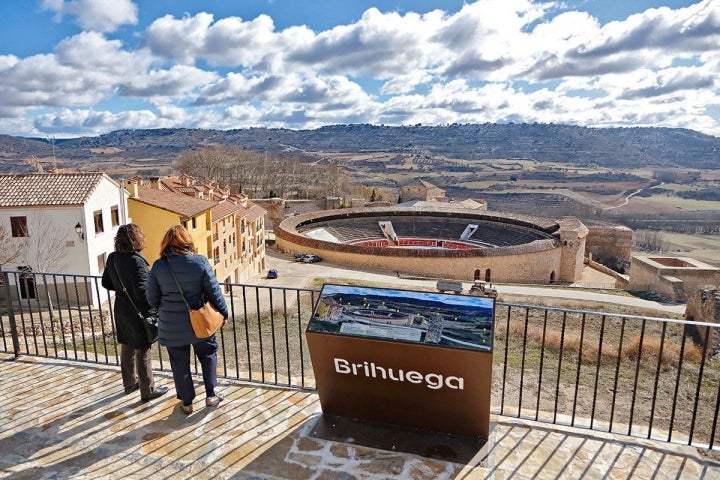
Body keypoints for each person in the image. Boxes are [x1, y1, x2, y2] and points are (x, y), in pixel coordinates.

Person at [146, 225, 229, 415]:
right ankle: (210, 394)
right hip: (200, 321)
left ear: (166, 243)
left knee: (179, 362)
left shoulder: (159, 266)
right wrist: (224, 313)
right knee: (208, 354)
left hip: (171, 325)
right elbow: (214, 292)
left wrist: (166, 309)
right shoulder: (199, 262)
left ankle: (187, 402)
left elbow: (151, 297)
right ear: (187, 242)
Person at [102, 224, 169, 403]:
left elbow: (106, 283)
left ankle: (130, 383)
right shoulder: (136, 261)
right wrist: (155, 310)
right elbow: (144, 293)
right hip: (139, 313)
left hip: (122, 309)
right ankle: (148, 391)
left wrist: (122, 289)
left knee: (127, 346)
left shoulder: (112, 258)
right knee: (143, 351)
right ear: (136, 239)